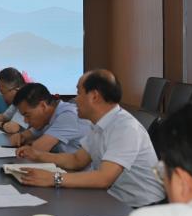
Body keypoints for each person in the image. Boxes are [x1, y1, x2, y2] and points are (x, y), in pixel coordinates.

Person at [14, 69, 164, 208]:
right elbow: (77, 160)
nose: (75, 99)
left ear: (94, 96)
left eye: (78, 93)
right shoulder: (99, 124)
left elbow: (104, 178)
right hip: (113, 198)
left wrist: (53, 178)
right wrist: (37, 155)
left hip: (141, 207)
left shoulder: (125, 127)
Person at [8, 82, 90, 153]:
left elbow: (37, 150)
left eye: (27, 115)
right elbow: (26, 135)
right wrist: (20, 136)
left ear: (43, 106)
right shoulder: (46, 118)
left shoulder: (68, 115)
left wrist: (30, 143)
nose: (25, 121)